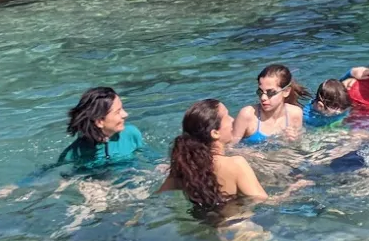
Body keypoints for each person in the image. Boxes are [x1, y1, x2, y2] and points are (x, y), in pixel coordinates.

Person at [158, 99, 307, 210]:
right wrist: (294, 189)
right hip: (238, 229)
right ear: (215, 133)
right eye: (227, 116)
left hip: (200, 223)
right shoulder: (236, 164)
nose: (233, 120)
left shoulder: (185, 165)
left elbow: (159, 195)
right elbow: (265, 202)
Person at [58, 86, 149, 167]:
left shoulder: (131, 134)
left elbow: (146, 153)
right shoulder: (73, 154)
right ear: (99, 121)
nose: (125, 114)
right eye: (118, 112)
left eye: (122, 108)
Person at [235, 64, 308, 144]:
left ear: (286, 91)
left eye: (270, 92)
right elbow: (228, 148)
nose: (263, 97)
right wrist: (250, 153)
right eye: (260, 92)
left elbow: (298, 146)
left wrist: (294, 141)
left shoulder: (295, 113)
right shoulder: (247, 115)